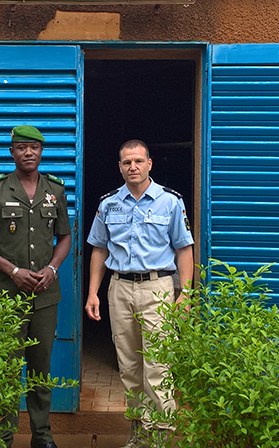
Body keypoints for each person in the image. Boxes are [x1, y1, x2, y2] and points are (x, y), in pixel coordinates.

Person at [85, 140, 194, 448]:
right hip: (119, 288)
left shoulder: (170, 202)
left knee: (158, 365)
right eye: (126, 162)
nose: (132, 166)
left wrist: (185, 293)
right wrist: (93, 292)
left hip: (157, 288)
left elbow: (184, 249)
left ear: (149, 164)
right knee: (129, 366)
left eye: (138, 161)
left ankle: (161, 435)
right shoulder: (109, 204)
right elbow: (99, 249)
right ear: (120, 167)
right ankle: (140, 433)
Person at [0, 125, 72, 448]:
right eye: (22, 147)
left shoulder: (55, 190)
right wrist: (12, 270)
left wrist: (52, 269)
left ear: (42, 152)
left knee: (40, 369)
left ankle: (42, 435)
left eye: (34, 147)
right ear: (11, 152)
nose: (29, 153)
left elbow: (65, 237)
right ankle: (3, 436)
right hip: (6, 297)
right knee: (7, 369)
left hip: (45, 297)